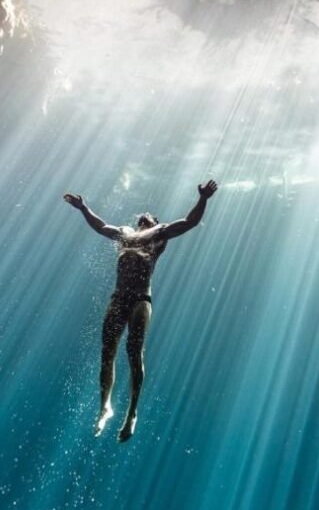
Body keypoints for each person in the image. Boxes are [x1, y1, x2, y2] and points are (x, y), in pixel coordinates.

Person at [64, 180, 218, 442]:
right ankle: (105, 406)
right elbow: (101, 226)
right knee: (107, 351)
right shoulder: (124, 233)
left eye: (150, 216)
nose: (145, 215)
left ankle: (132, 413)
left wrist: (203, 199)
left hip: (140, 300)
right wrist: (83, 208)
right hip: (119, 298)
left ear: (155, 221)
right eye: (143, 216)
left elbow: (189, 222)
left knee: (133, 353)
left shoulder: (160, 232)